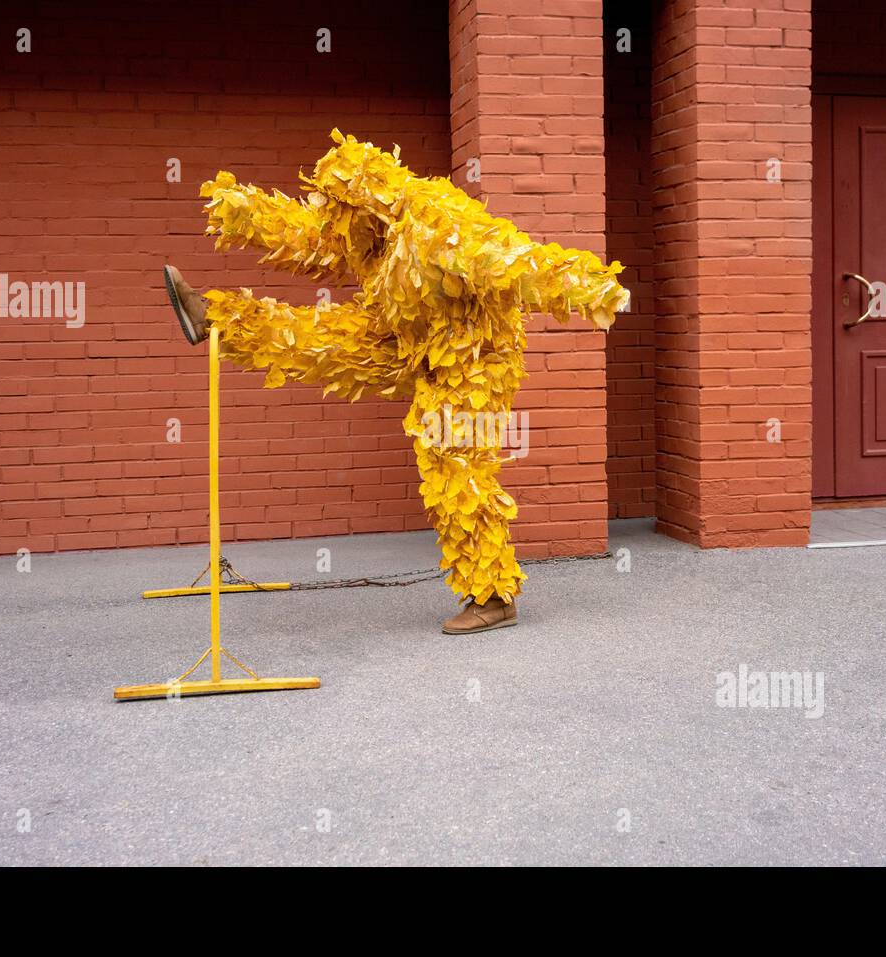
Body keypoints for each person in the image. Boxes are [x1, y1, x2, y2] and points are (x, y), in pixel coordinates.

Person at [163, 130, 629, 635]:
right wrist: (244, 213)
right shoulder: (365, 234)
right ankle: (214, 319)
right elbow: (307, 239)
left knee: (452, 465)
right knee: (328, 341)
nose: (331, 220)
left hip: (471, 361)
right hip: (406, 338)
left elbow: (519, 263)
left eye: (337, 208)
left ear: (368, 201)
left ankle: (493, 598)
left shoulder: (437, 227)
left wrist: (595, 289)